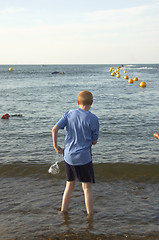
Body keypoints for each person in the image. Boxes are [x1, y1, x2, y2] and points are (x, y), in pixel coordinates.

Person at [52, 90, 99, 215]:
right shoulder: (93, 118)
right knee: (87, 188)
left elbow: (54, 129)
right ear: (92, 103)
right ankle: (90, 215)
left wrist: (56, 146)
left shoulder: (69, 114)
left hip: (69, 156)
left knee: (69, 185)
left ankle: (63, 211)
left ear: (78, 102)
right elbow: (94, 141)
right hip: (84, 157)